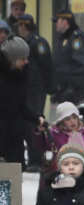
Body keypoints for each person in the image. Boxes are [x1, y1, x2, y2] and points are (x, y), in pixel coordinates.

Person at [14, 14, 53, 171]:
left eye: (20, 26)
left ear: (24, 26)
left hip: (36, 91)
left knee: (35, 125)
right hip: (25, 90)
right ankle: (31, 158)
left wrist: (48, 88)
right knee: (24, 124)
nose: (19, 28)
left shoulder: (38, 43)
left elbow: (47, 67)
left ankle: (36, 159)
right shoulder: (21, 43)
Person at [0, 35, 42, 166]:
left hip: (14, 138)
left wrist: (37, 118)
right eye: (23, 58)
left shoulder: (21, 75)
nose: (26, 62)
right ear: (11, 59)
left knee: (13, 181)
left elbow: (20, 106)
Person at [35, 101, 84, 171]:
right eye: (68, 119)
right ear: (61, 122)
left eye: (74, 117)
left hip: (81, 172)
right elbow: (42, 146)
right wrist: (40, 133)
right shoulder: (55, 134)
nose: (72, 121)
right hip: (60, 172)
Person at [51, 8, 84, 105]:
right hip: (62, 90)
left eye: (57, 21)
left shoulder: (77, 37)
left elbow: (80, 65)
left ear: (65, 22)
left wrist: (71, 88)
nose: (56, 24)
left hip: (73, 92)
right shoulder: (62, 38)